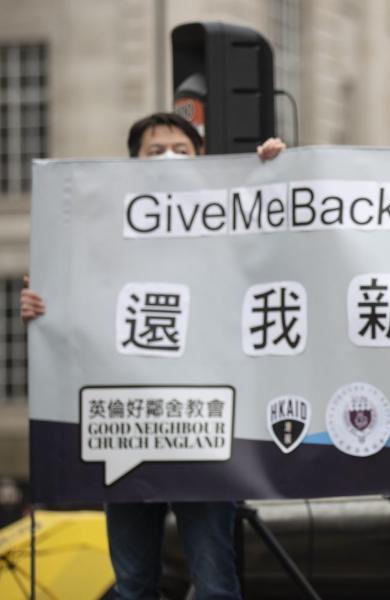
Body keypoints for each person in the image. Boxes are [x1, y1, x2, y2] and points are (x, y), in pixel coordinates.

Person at [20, 112, 284, 600]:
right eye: (154, 150)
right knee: (134, 583)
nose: (168, 159)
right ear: (132, 163)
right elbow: (75, 306)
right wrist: (43, 309)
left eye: (181, 151)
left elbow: (282, 248)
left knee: (216, 584)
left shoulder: (230, 221)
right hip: (129, 428)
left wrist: (273, 172)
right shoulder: (99, 235)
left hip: (204, 429)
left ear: (202, 159)